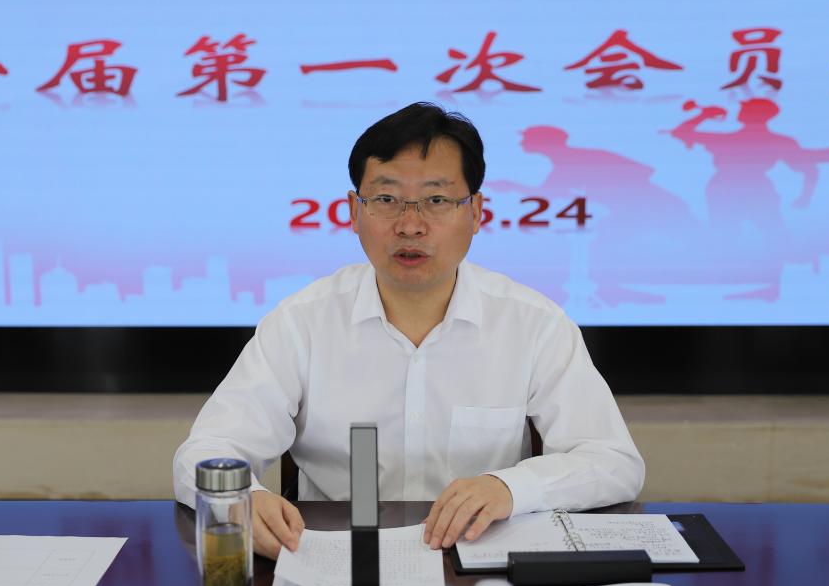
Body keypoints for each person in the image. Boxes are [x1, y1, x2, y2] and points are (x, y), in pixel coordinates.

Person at [173, 102, 644, 559]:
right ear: (354, 211)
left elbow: (613, 461)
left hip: (479, 568)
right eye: (386, 200)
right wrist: (242, 499)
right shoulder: (302, 322)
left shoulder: (533, 323)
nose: (411, 225)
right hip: (335, 562)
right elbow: (206, 451)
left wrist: (510, 487)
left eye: (437, 200)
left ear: (476, 212)